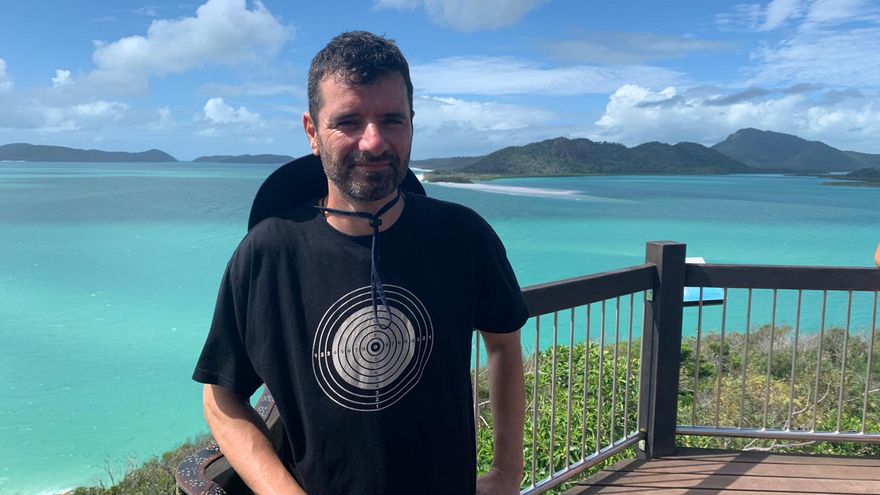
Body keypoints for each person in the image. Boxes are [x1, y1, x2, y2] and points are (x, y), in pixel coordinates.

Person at [193, 31, 529, 495]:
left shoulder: (463, 235)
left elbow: (504, 345)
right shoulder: (268, 252)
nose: (373, 142)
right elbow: (221, 394)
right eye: (348, 121)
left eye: (392, 120)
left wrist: (507, 471)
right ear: (312, 132)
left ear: (411, 124)